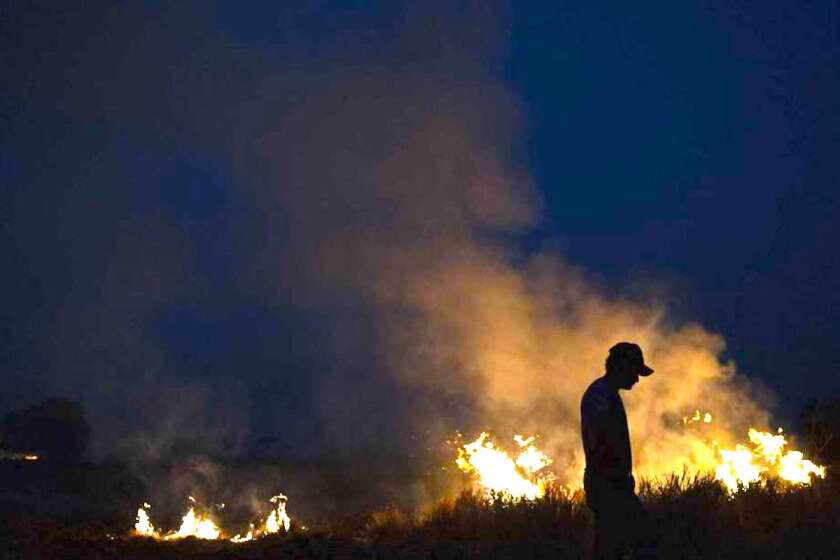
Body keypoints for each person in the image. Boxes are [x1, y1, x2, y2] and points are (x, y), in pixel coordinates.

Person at [580, 342, 655, 559]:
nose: (637, 379)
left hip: (612, 484)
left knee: (614, 546)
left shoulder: (606, 394)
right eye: (635, 371)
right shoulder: (601, 396)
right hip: (609, 485)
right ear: (622, 366)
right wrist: (613, 477)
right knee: (636, 542)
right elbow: (599, 440)